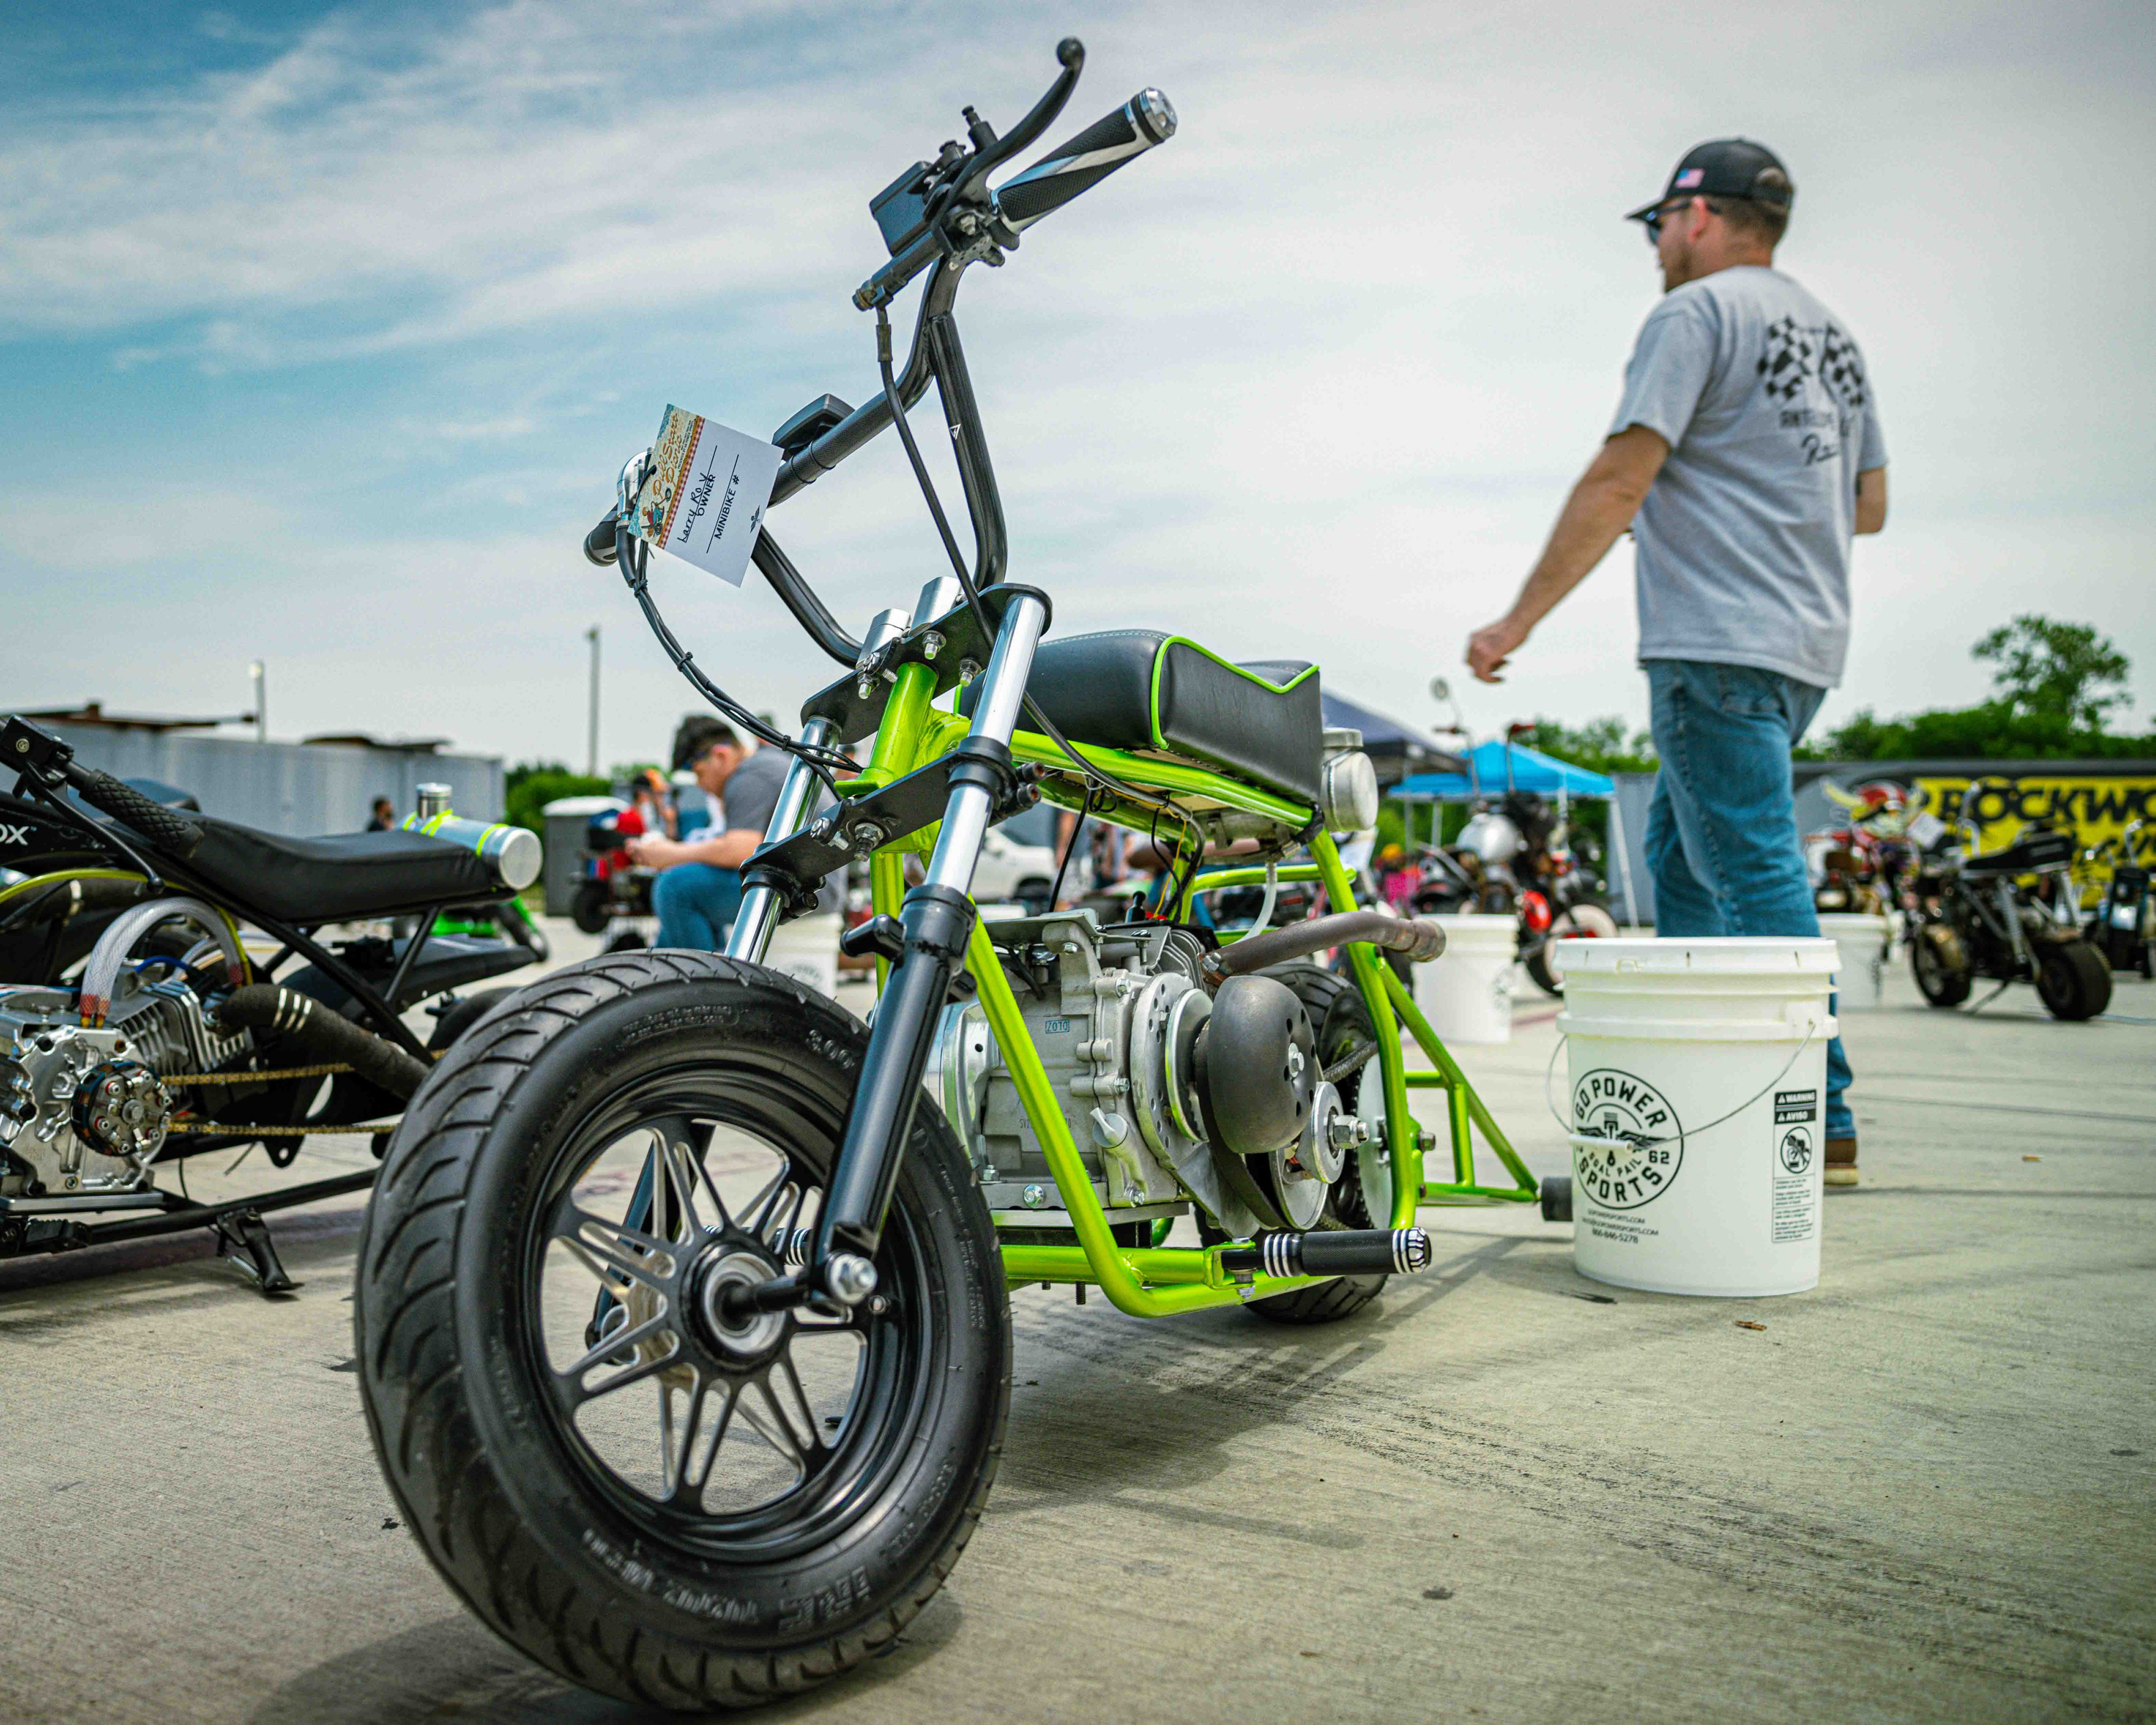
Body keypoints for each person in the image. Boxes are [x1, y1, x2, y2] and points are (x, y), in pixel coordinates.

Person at [1465, 139, 1886, 1187]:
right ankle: (1700, 1076)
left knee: (1750, 865)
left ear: (1697, 215)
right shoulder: (1836, 339)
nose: (1655, 243)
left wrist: (1515, 622)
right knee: (1685, 853)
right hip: (1807, 646)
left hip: (1716, 638)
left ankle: (1816, 1107)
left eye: (1659, 222)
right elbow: (1868, 507)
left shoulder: (1694, 315)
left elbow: (1621, 477)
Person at [627, 719, 791, 950]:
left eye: (699, 773)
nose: (700, 785)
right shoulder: (763, 765)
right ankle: (706, 973)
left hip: (796, 891)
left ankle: (706, 984)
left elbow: (740, 850)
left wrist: (671, 854)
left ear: (721, 756)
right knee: (689, 893)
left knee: (674, 887)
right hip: (798, 882)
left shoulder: (748, 776)